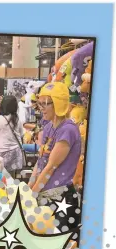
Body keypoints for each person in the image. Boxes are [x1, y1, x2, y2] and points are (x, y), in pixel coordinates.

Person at [29, 82, 82, 231]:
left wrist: (32, 194)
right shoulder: (47, 127)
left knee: (58, 247)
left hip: (61, 199)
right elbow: (40, 163)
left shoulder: (68, 130)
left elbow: (51, 166)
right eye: (40, 103)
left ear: (59, 103)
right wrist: (28, 190)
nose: (42, 107)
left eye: (46, 103)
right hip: (43, 197)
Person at [0, 96, 24, 177]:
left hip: (0, 153)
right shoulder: (17, 119)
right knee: (11, 179)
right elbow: (22, 134)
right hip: (15, 152)